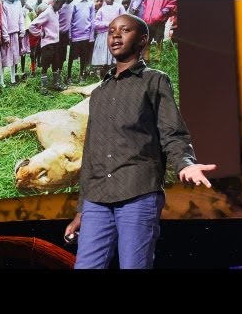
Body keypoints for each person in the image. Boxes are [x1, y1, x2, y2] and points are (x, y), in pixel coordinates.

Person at [64, 14, 217, 269]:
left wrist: (185, 164)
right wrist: (82, 208)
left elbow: (172, 131)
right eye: (112, 30)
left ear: (142, 39)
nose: (115, 35)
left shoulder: (154, 80)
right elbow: (91, 152)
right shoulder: (99, 93)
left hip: (137, 193)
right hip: (96, 199)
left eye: (124, 30)